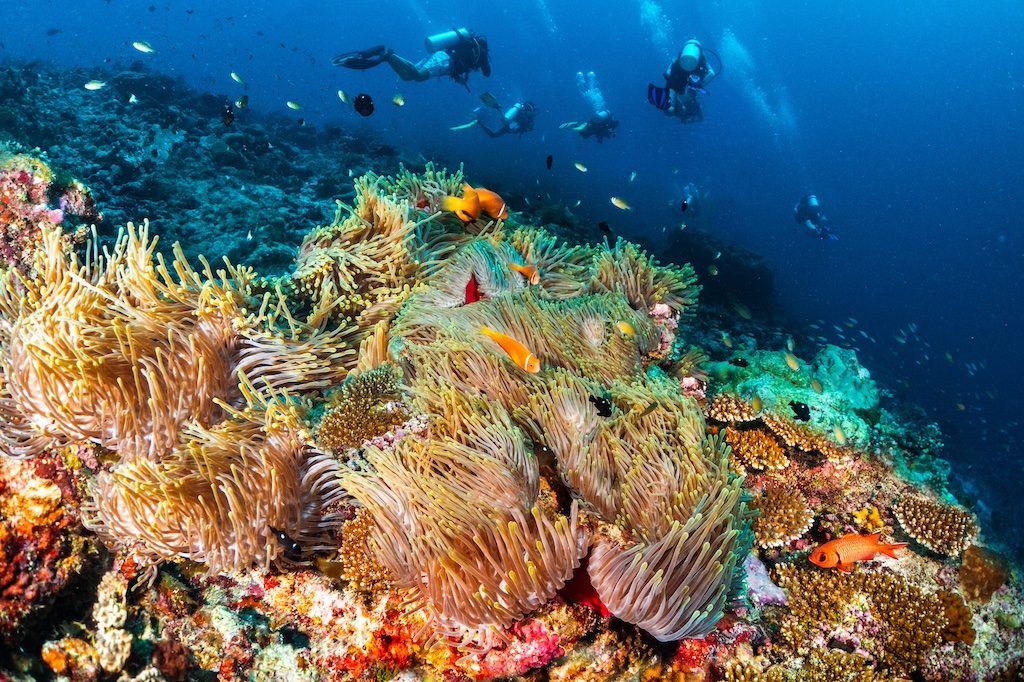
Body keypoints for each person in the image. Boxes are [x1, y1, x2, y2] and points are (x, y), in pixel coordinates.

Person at [333, 28, 491, 86]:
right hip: (445, 60)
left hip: (443, 59)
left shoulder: (472, 50)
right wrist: (484, 60)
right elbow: (487, 73)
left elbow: (458, 68)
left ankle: (387, 56)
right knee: (418, 75)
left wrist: (460, 80)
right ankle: (389, 55)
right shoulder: (480, 54)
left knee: (408, 77)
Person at [648, 38, 720, 123]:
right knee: (691, 103)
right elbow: (712, 73)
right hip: (692, 83)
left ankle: (673, 108)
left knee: (670, 107)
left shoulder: (679, 57)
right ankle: (687, 113)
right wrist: (700, 85)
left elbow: (668, 72)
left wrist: (670, 80)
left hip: (675, 79)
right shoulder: (702, 58)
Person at [561, 71, 619, 142]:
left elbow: (600, 134)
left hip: (593, 122)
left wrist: (600, 138)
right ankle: (576, 125)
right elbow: (604, 130)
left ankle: (577, 125)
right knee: (585, 134)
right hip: (594, 124)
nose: (609, 136)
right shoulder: (609, 127)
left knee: (586, 134)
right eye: (611, 135)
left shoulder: (609, 127)